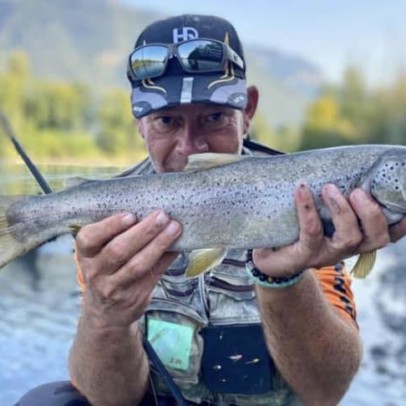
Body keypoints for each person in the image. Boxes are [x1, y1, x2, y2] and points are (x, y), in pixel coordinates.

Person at [16, 14, 406, 406]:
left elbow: (325, 393)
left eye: (215, 118)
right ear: (140, 123)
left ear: (247, 110)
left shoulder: (305, 192)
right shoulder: (112, 214)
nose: (191, 148)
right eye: (167, 121)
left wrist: (284, 279)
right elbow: (109, 399)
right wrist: (106, 314)